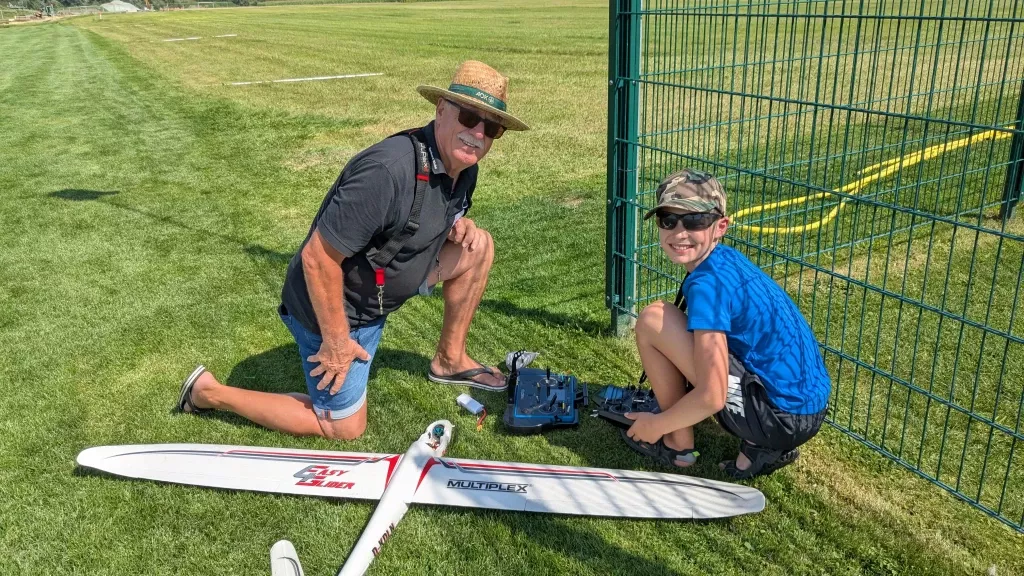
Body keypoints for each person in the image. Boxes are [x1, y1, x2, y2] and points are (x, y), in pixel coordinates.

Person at [175, 60, 530, 441]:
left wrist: (459, 226)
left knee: (479, 246)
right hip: (340, 308)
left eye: (491, 128)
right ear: (441, 110)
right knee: (342, 426)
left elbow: (438, 213)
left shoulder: (464, 168)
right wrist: (336, 341)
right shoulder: (386, 172)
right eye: (469, 117)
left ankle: (449, 360)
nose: (477, 134)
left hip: (385, 284)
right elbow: (318, 259)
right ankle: (208, 392)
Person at [622, 169, 831, 479]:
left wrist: (656, 425)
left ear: (720, 226)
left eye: (695, 221)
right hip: (807, 409)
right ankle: (759, 448)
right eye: (668, 220)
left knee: (654, 319)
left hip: (781, 418)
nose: (679, 232)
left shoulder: (709, 285)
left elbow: (713, 395)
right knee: (667, 320)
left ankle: (679, 445)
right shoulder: (724, 260)